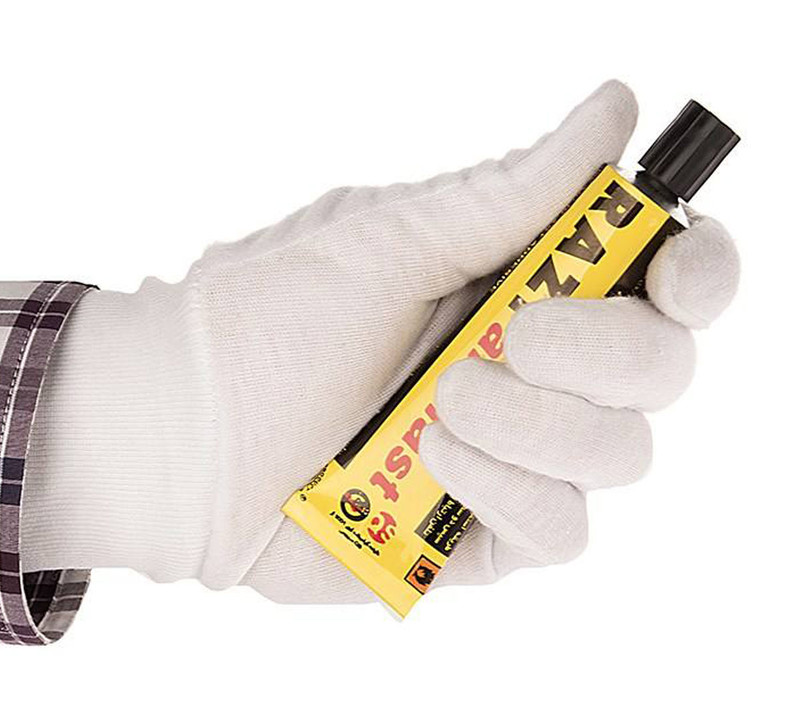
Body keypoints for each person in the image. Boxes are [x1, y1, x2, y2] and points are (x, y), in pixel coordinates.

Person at [0, 81, 739, 645]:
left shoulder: (629, 217)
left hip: (377, 505)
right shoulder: (614, 210)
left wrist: (165, 445)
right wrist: (178, 396)